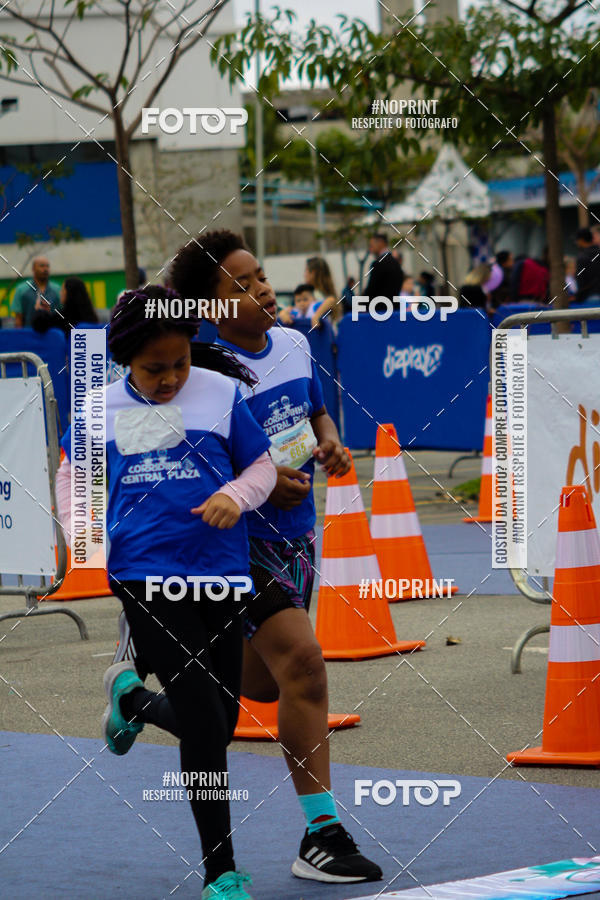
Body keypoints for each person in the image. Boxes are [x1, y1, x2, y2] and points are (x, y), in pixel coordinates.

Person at [113, 232, 383, 886]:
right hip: (236, 548)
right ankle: (320, 835)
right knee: (305, 662)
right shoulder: (197, 368)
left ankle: (136, 695)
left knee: (262, 688)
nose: (260, 288)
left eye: (259, 275)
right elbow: (170, 464)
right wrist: (257, 483)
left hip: (297, 534)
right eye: (239, 284)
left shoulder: (292, 341)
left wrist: (330, 446)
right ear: (205, 307)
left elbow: (316, 414)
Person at [56, 285, 277, 900]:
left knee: (223, 721)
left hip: (221, 577)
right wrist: (85, 535)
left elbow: (260, 467)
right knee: (206, 724)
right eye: (155, 369)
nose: (171, 378)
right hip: (144, 577)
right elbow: (75, 478)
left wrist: (235, 496)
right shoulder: (97, 408)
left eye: (180, 362)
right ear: (126, 358)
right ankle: (221, 871)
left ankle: (133, 703)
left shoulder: (222, 393)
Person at [31, 277, 98, 334]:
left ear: (68, 294)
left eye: (62, 290)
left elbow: (39, 325)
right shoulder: (92, 319)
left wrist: (39, 312)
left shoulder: (61, 318)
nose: (60, 293)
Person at [11, 256, 61, 327]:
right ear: (33, 268)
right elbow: (18, 318)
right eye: (42, 266)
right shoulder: (21, 290)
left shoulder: (57, 289)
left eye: (47, 266)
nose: (45, 269)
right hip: (29, 334)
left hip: (52, 334)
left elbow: (61, 315)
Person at [364, 233, 404, 305]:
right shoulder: (396, 263)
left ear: (380, 243)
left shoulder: (378, 264)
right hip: (394, 309)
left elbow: (371, 290)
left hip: (379, 310)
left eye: (372, 245)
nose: (370, 249)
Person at [304, 256, 340, 328]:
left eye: (306, 270)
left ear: (313, 273)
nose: (304, 274)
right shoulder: (308, 293)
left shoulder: (320, 295)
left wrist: (316, 316)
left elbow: (331, 301)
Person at [575, 227, 600, 305]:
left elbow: (581, 281)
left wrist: (577, 298)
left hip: (590, 297)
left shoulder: (582, 258)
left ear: (581, 240)